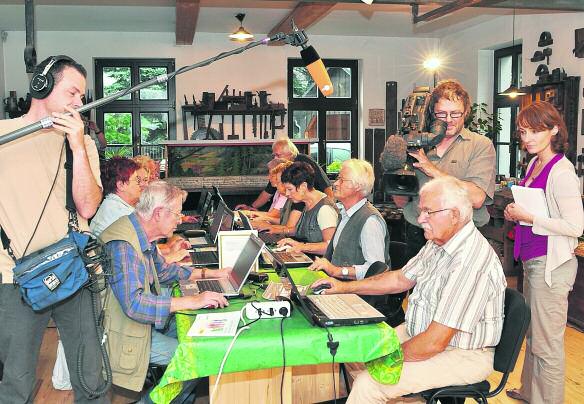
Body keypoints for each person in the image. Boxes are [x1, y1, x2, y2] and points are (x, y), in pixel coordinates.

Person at [312, 176, 506, 403]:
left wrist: (386, 358)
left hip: (462, 354)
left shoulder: (470, 262)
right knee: (357, 350)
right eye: (421, 211)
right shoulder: (439, 242)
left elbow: (435, 342)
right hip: (422, 334)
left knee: (369, 384)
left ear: (454, 215)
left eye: (428, 212)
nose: (420, 219)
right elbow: (399, 279)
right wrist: (343, 287)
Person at [0, 55, 108, 403]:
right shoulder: (3, 136)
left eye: (82, 96)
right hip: (13, 277)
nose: (79, 102)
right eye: (72, 92)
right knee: (15, 381)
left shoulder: (82, 144)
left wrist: (77, 145)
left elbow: (88, 207)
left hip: (72, 270)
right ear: (41, 86)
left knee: (91, 377)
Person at [101, 181, 230, 400]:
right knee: (195, 357)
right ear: (158, 213)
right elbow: (135, 305)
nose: (180, 220)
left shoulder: (140, 233)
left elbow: (164, 272)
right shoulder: (124, 245)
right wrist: (193, 300)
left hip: (137, 325)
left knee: (197, 334)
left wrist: (211, 274)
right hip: (124, 332)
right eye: (177, 214)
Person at [504, 101, 584, 404]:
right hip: (533, 260)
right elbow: (536, 208)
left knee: (546, 344)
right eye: (523, 132)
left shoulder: (561, 172)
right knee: (533, 334)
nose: (527, 138)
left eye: (535, 131)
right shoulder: (534, 163)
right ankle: (529, 391)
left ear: (553, 130)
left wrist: (529, 217)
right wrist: (516, 213)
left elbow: (575, 226)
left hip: (551, 265)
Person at [393, 79, 496, 261]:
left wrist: (431, 169)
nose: (448, 120)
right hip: (418, 232)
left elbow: (477, 198)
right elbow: (401, 199)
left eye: (455, 113)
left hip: (462, 235)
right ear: (432, 113)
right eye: (442, 113)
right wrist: (395, 177)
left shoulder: (480, 145)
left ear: (466, 112)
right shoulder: (417, 143)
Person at [309, 159, 389, 280]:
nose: (335, 183)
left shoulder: (370, 221)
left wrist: (338, 271)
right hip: (337, 285)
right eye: (338, 179)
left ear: (358, 186)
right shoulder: (345, 214)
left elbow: (376, 270)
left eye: (342, 180)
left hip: (355, 290)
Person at [235, 137, 333, 210]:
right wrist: (251, 207)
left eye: (278, 155)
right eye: (274, 155)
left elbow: (325, 185)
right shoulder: (280, 170)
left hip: (315, 204)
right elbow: (268, 191)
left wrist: (330, 207)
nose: (275, 158)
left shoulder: (304, 161)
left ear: (291, 154)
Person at [277, 161, 338, 256]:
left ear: (303, 186)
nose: (287, 194)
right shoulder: (308, 203)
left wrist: (301, 246)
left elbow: (330, 246)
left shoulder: (325, 209)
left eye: (290, 189)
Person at [90, 156, 149, 235]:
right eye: (137, 180)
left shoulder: (113, 205)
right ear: (121, 185)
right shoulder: (121, 214)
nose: (141, 185)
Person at [245, 160, 303, 236]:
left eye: (278, 182)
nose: (276, 186)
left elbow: (291, 229)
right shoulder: (290, 198)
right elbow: (284, 222)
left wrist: (269, 226)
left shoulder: (297, 200)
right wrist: (266, 222)